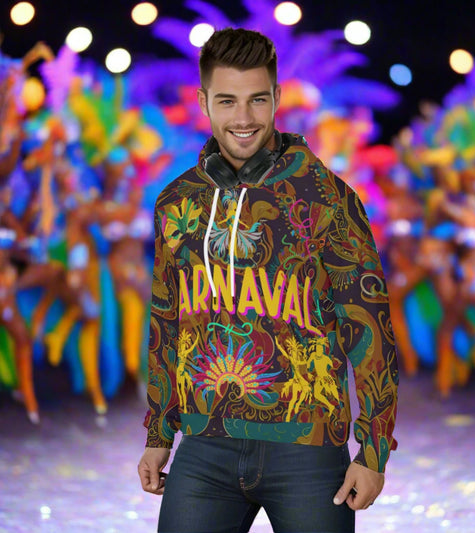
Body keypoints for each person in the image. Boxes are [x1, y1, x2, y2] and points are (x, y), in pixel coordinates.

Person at [137, 28, 399, 533]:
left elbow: (369, 327)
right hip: (204, 446)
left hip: (309, 448)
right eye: (227, 101)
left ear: (277, 97)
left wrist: (373, 450)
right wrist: (158, 433)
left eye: (257, 99)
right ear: (203, 101)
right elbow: (166, 322)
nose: (243, 117)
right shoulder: (176, 203)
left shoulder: (327, 197)